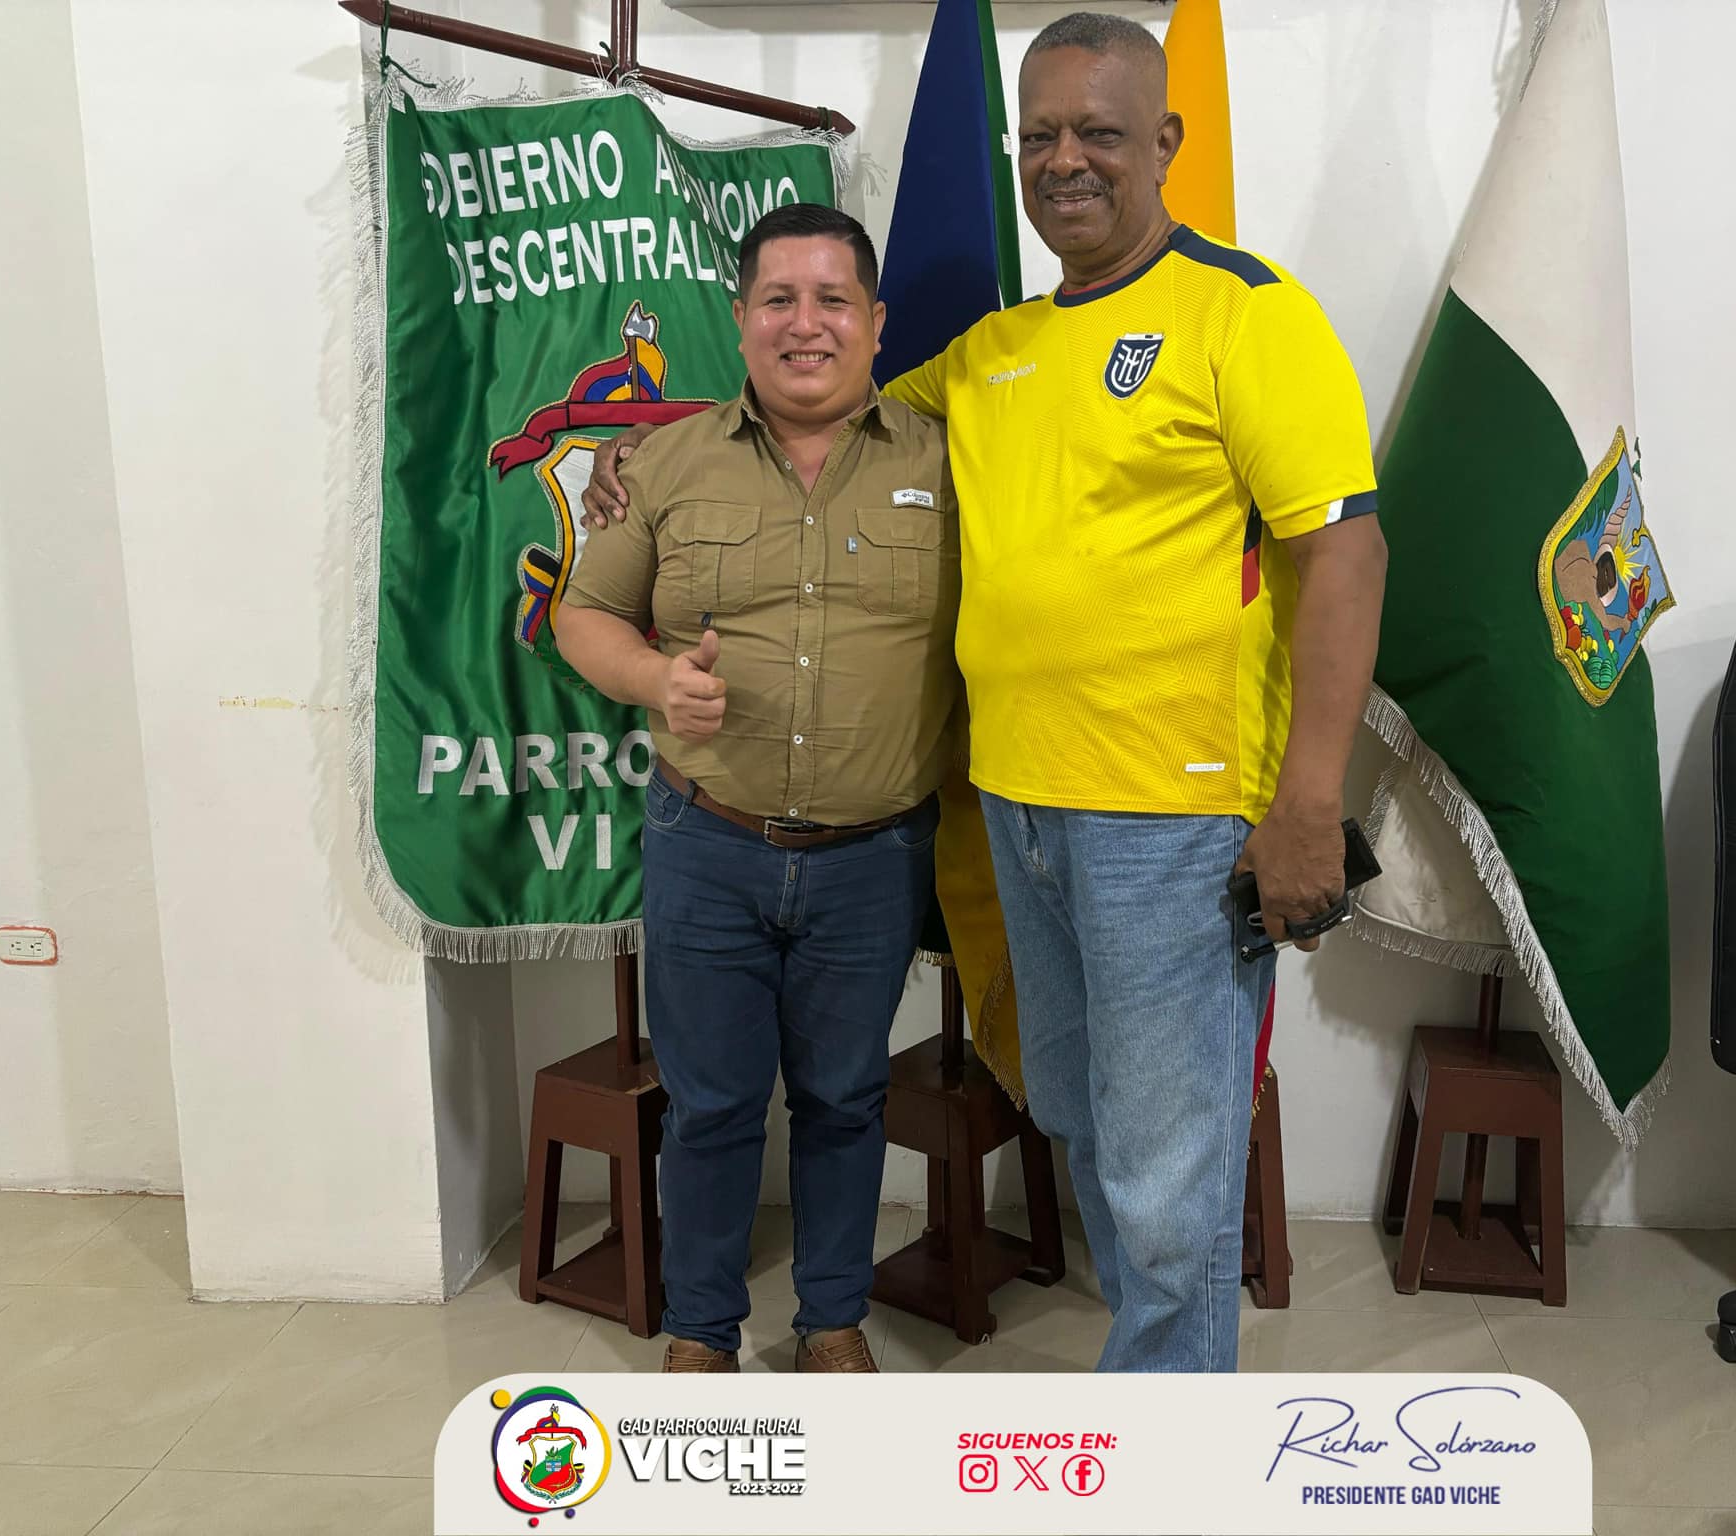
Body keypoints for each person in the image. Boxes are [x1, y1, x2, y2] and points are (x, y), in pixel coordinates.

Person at [584, 11, 1387, 1373]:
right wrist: (644, 444)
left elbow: (1345, 553)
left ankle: (1167, 1448)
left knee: (1167, 1166)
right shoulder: (993, 354)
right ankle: (1151, 1391)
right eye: (1042, 135)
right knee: (1081, 1114)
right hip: (1016, 812)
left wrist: (1310, 801)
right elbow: (821, 409)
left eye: (1100, 133)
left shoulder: (1247, 311)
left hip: (1172, 821)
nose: (1065, 160)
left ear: (1165, 142)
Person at [552, 203, 960, 1374]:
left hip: (873, 855)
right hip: (708, 840)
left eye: (832, 299)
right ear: (739, 321)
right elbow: (583, 614)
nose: (805, 324)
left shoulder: (949, 464)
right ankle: (701, 1328)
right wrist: (653, 680)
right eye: (778, 299)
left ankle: (830, 1318)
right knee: (712, 1103)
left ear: (874, 321)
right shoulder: (666, 462)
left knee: (844, 1098)